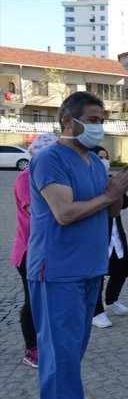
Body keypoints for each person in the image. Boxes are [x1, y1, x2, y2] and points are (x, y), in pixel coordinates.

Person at [27, 91, 128, 399]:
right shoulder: (49, 159)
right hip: (57, 270)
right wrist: (109, 196)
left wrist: (117, 191)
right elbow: (66, 213)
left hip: (89, 268)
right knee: (58, 351)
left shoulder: (94, 162)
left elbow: (110, 211)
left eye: (102, 120)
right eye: (92, 120)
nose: (99, 127)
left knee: (74, 347)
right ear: (67, 121)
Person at [11, 133, 59, 368]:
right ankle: (31, 349)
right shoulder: (25, 178)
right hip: (30, 251)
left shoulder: (54, 177)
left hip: (53, 250)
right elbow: (38, 213)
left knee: (50, 299)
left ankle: (48, 341)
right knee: (33, 300)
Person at [91, 146, 128, 328]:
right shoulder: (89, 181)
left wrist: (121, 187)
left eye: (105, 157)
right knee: (97, 274)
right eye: (99, 157)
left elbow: (124, 204)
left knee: (121, 270)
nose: (103, 160)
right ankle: (96, 312)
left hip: (116, 233)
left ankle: (112, 300)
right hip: (98, 234)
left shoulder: (111, 180)